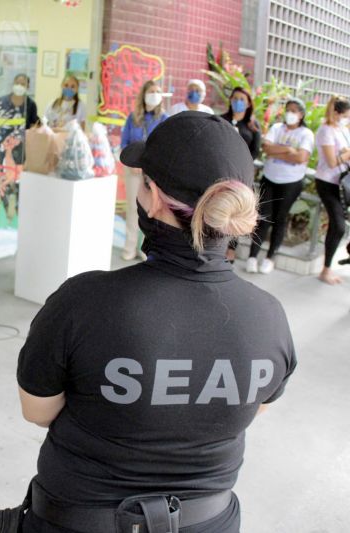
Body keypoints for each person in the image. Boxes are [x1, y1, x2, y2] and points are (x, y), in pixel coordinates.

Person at [17, 112, 296, 533]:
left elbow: (37, 411)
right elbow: (252, 408)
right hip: (210, 523)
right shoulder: (270, 317)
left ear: (155, 199)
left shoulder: (82, 302)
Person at [246, 98, 314, 275]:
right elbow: (267, 149)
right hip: (269, 178)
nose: (290, 114)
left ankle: (270, 258)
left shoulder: (306, 134)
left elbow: (301, 158)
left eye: (294, 111)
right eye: (288, 110)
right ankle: (252, 256)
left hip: (291, 183)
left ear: (301, 114)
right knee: (263, 217)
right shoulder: (277, 128)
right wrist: (289, 150)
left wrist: (280, 150)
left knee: (280, 219)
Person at [119, 80, 168, 260]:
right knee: (133, 208)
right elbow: (124, 143)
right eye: (151, 91)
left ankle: (145, 248)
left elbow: (165, 145)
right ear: (144, 94)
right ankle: (129, 247)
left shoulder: (164, 118)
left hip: (153, 172)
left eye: (157, 91)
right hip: (133, 171)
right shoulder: (133, 117)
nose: (154, 94)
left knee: (151, 209)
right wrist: (132, 163)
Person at [221, 86, 261, 262]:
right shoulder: (221, 120)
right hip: (219, 172)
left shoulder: (252, 126)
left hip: (241, 176)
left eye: (242, 99)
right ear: (230, 100)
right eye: (235, 98)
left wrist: (240, 164)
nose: (238, 102)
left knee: (235, 212)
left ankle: (231, 249)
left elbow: (255, 152)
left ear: (248, 104)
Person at [314, 95, 350, 284]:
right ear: (336, 113)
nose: (347, 119)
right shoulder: (326, 130)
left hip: (343, 184)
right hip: (327, 182)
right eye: (346, 115)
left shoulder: (342, 129)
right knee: (338, 225)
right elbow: (332, 161)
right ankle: (326, 270)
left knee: (341, 226)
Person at [0, 73, 38, 165]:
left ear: (28, 86)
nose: (19, 86)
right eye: (17, 83)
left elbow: (33, 125)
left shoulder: (30, 104)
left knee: (17, 175)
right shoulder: (3, 101)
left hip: (21, 148)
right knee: (3, 172)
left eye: (23, 84)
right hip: (3, 143)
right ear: (13, 84)